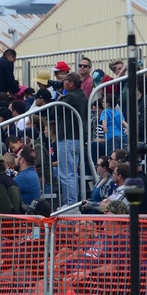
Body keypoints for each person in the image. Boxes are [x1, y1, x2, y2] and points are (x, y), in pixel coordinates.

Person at [56, 72, 88, 206]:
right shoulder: (81, 95)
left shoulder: (71, 97)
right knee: (72, 173)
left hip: (68, 139)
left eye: (65, 81)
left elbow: (55, 111)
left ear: (71, 83)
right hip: (77, 139)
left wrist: (58, 98)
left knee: (67, 174)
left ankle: (70, 204)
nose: (63, 83)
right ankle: (73, 202)